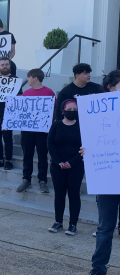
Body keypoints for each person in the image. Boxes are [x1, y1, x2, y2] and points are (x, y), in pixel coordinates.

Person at [87, 70, 120, 275]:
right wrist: (87, 150)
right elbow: (92, 141)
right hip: (108, 177)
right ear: (111, 88)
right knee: (105, 228)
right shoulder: (97, 112)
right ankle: (98, 269)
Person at [47, 99, 83, 236]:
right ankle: (58, 222)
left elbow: (84, 147)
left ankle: (73, 224)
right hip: (58, 166)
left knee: (74, 195)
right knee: (59, 194)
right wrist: (58, 161)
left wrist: (71, 162)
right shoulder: (56, 125)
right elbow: (50, 144)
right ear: (63, 110)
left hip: (76, 166)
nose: (72, 112)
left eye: (75, 110)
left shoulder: (81, 126)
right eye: (70, 109)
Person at [16, 69, 55, 193]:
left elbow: (53, 112)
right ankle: (26, 179)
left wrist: (49, 126)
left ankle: (42, 180)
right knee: (27, 154)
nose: (27, 80)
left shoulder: (49, 92)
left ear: (35, 78)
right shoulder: (26, 93)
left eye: (29, 77)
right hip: (27, 130)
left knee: (42, 155)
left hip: (42, 131)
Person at [0, 57, 22, 169]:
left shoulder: (15, 80)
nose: (4, 66)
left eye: (6, 64)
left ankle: (8, 160)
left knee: (7, 138)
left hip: (8, 114)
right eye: (2, 65)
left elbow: (20, 97)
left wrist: (8, 97)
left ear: (10, 65)